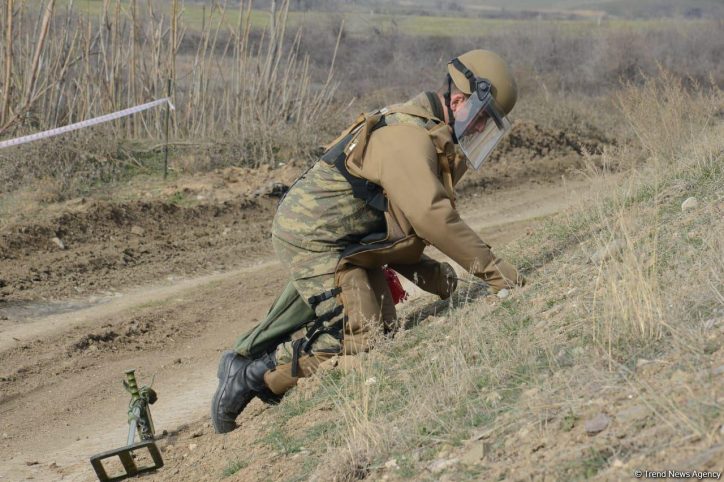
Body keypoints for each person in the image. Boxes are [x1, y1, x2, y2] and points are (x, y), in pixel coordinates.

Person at [211, 49, 526, 434]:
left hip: (351, 240)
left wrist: (435, 276)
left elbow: (401, 228)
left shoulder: (426, 135)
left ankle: (258, 366)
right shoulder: (406, 138)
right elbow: (431, 216)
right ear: (460, 100)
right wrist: (498, 275)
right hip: (315, 238)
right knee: (360, 330)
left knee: (382, 329)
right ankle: (250, 378)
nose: (478, 132)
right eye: (480, 121)